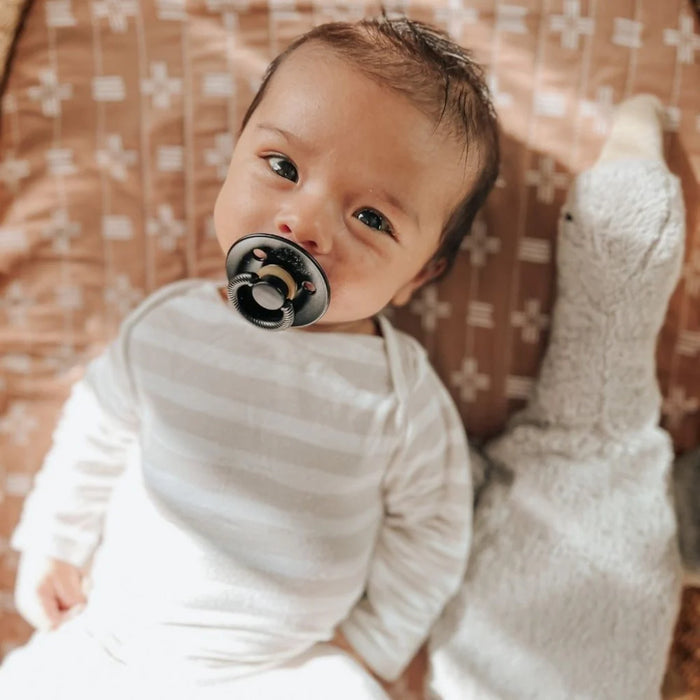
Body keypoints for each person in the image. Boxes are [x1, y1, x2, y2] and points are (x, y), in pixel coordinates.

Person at [0, 15, 499, 700]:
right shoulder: (166, 328)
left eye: (371, 218)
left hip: (283, 671)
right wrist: (54, 544)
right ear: (233, 157)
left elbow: (434, 531)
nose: (305, 223)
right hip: (113, 639)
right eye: (283, 167)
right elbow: (93, 434)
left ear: (420, 274)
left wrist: (370, 645)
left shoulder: (400, 394)